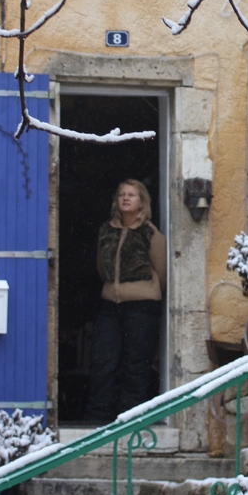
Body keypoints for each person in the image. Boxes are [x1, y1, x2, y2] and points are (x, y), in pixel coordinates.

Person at [85, 180, 167, 423]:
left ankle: (132, 418)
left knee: (136, 365)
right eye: (121, 194)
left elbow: (161, 271)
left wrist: (142, 290)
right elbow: (101, 267)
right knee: (103, 362)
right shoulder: (106, 230)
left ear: (142, 202)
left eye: (132, 195)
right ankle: (98, 417)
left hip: (142, 307)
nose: (126, 198)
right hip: (110, 306)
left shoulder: (150, 233)